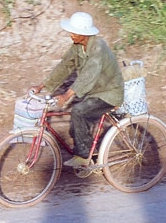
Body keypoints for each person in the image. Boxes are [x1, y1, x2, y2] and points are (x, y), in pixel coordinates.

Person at [31, 12, 124, 170]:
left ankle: (83, 156)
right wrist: (42, 86)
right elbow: (65, 66)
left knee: (78, 111)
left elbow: (88, 75)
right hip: (94, 91)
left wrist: (67, 95)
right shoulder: (78, 47)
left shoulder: (98, 48)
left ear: (84, 34)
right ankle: (90, 153)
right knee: (76, 123)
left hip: (109, 93)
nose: (71, 34)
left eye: (74, 32)